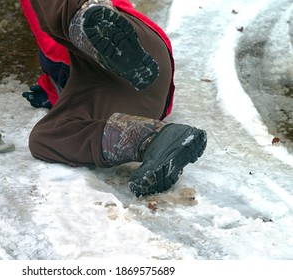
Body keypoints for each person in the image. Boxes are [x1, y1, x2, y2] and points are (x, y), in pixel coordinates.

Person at [21, 0, 207, 197]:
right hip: (128, 97)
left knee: (62, 20)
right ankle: (154, 139)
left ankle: (91, 23)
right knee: (43, 138)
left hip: (140, 47)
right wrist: (48, 91)